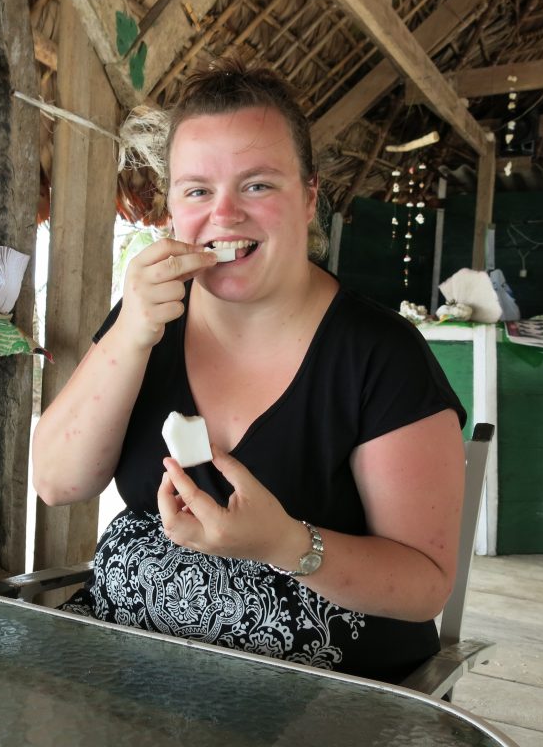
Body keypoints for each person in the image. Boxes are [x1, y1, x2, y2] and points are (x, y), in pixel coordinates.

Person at [30, 57, 466, 683]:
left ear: (311, 196)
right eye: (198, 190)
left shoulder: (380, 356)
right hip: (131, 665)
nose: (225, 215)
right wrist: (128, 335)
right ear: (172, 207)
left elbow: (424, 585)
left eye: (258, 185)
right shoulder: (146, 322)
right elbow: (57, 482)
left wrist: (286, 545)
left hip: (314, 692)